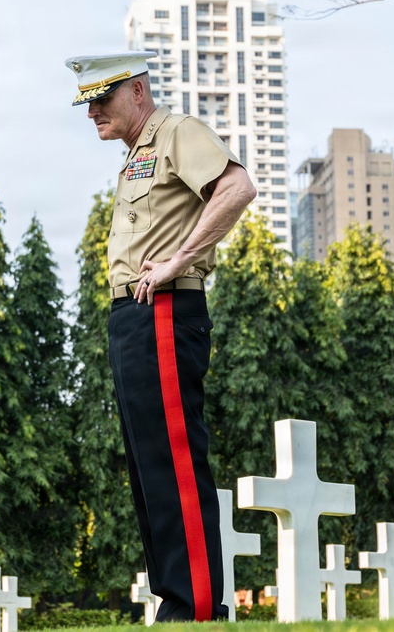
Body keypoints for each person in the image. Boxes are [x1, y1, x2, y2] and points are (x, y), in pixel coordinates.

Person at [65, 52, 257, 622]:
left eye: (102, 98)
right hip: (131, 316)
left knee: (174, 458)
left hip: (167, 310)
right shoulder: (135, 159)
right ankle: (176, 600)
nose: (92, 111)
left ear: (139, 91)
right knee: (150, 463)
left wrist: (177, 260)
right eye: (87, 102)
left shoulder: (177, 132)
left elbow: (238, 188)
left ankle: (197, 607)